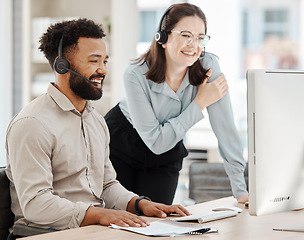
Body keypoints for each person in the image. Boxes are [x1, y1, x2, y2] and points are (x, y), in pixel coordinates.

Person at [5, 18, 190, 231]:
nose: (103, 70)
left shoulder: (95, 121)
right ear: (62, 65)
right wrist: (100, 214)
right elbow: (36, 205)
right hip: (44, 233)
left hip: (90, 229)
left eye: (105, 61)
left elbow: (106, 185)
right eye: (94, 61)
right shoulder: (33, 124)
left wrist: (141, 204)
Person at [105, 3, 248, 205]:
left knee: (157, 222)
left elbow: (225, 127)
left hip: (168, 144)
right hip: (122, 142)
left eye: (200, 38)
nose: (194, 44)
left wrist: (240, 190)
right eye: (186, 35)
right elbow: (155, 141)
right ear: (163, 38)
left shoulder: (209, 67)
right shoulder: (135, 73)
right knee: (118, 222)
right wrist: (199, 103)